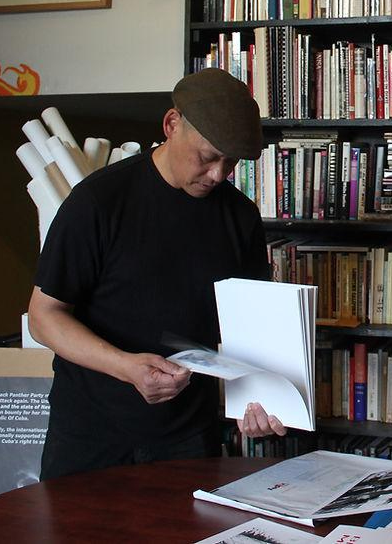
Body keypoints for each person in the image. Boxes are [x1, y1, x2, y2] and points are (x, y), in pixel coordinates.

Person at [28, 68, 286, 480]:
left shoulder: (240, 216)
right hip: (90, 434)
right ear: (171, 124)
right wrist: (126, 367)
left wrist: (257, 399)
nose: (218, 174)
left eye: (231, 162)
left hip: (188, 436)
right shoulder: (98, 201)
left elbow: (249, 325)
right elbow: (44, 317)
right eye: (207, 156)